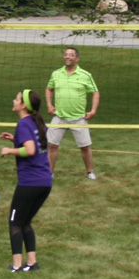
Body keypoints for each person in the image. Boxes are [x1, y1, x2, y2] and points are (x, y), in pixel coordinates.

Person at [0, 89, 53, 272]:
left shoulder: (23, 124)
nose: (14, 100)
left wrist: (9, 150)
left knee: (15, 222)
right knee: (26, 221)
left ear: (23, 106)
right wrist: (16, 140)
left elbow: (30, 150)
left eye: (17, 98)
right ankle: (32, 263)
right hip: (45, 182)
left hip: (30, 183)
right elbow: (36, 145)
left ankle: (16, 265)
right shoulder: (36, 121)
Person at [45, 46, 100, 179]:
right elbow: (49, 89)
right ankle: (49, 173)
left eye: (71, 55)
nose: (67, 57)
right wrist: (49, 104)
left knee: (85, 147)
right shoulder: (56, 73)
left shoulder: (85, 75)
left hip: (78, 118)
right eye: (65, 54)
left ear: (77, 58)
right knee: (52, 145)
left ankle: (90, 171)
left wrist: (93, 111)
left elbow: (95, 93)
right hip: (60, 116)